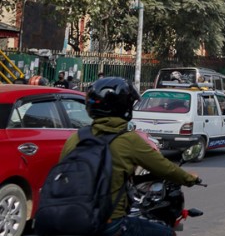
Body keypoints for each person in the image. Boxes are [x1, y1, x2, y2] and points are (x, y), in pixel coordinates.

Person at [60, 77, 199, 236]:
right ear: (124, 107)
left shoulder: (76, 137)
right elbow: (165, 168)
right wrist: (190, 179)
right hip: (110, 222)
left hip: (71, 219)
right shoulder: (128, 139)